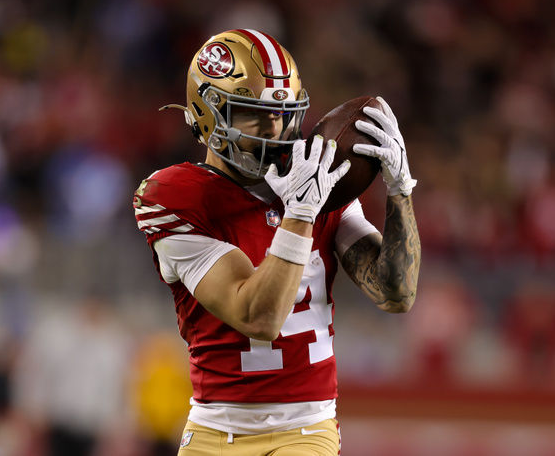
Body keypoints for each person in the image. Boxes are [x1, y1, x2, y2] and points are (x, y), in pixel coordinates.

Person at [133, 29, 420, 456]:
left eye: (285, 112)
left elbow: (396, 293)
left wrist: (400, 192)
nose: (277, 128)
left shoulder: (319, 181)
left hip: (305, 430)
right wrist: (299, 215)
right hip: (213, 429)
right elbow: (257, 316)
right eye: (255, 114)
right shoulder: (178, 196)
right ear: (210, 115)